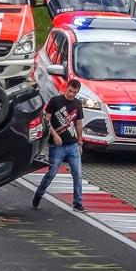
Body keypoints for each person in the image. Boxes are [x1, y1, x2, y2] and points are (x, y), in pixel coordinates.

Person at [32, 79, 85, 212]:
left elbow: (78, 123)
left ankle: (77, 202)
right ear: (66, 88)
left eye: (74, 92)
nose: (71, 94)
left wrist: (80, 142)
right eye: (70, 91)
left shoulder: (78, 104)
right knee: (52, 173)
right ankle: (39, 194)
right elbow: (46, 120)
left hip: (72, 144)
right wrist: (54, 135)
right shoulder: (55, 101)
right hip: (57, 146)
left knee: (78, 174)